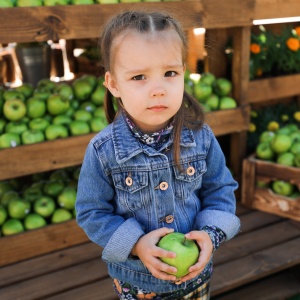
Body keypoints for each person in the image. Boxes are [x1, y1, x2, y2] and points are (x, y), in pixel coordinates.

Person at [76, 10, 240, 300]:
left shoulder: (201, 138)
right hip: (137, 285)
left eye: (170, 73)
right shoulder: (103, 151)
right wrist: (137, 244)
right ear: (114, 84)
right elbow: (92, 213)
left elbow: (220, 190)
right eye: (139, 76)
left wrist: (210, 235)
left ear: (183, 74)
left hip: (195, 277)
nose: (158, 90)